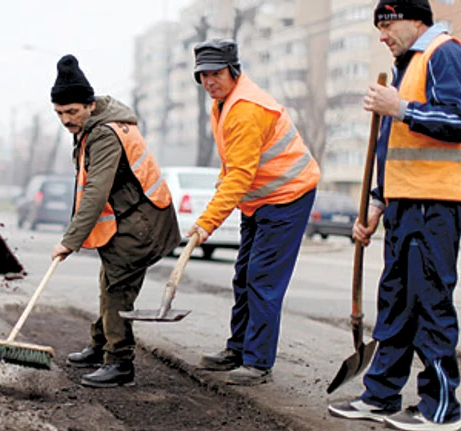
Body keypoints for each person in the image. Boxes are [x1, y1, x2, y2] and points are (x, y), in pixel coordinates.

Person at [328, 1, 461, 429]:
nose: (382, 36)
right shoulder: (408, 65)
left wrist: (399, 107)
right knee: (398, 303)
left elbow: (458, 119)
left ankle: (442, 409)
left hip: (435, 202)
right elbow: (395, 149)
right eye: (378, 28)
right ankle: (381, 395)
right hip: (405, 203)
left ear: (415, 20)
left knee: (429, 302)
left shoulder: (443, 52)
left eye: (388, 25)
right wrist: (376, 205)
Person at [187, 39, 320, 386]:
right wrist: (220, 190)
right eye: (203, 75)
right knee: (243, 273)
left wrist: (206, 223)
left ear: (233, 71)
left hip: (287, 196)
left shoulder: (246, 109)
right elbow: (233, 166)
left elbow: (241, 175)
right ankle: (238, 348)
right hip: (260, 199)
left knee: (262, 278)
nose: (209, 81)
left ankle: (258, 362)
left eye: (216, 73)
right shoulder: (223, 104)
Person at [49, 54, 181, 388]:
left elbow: (96, 189)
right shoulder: (89, 128)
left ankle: (120, 363)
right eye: (59, 113)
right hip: (128, 219)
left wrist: (70, 239)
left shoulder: (105, 134)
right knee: (109, 282)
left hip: (142, 223)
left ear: (90, 105)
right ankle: (100, 344)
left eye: (71, 112)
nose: (65, 120)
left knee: (117, 289)